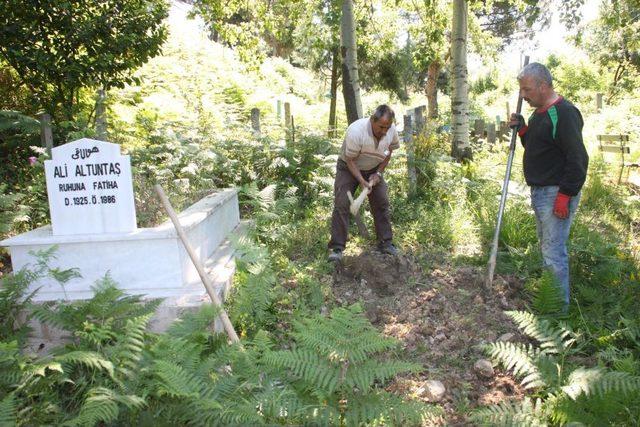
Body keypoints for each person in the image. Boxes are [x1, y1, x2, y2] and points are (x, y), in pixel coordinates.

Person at [509, 62, 589, 310]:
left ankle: (557, 314)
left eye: (527, 89)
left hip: (556, 192)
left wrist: (565, 195)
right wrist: (523, 130)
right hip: (541, 193)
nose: (524, 95)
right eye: (522, 90)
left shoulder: (564, 113)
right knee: (548, 249)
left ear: (543, 86)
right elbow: (536, 147)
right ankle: (551, 300)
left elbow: (578, 158)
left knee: (554, 253)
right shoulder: (538, 113)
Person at [328, 105, 400, 262]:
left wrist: (378, 173)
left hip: (373, 167)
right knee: (342, 203)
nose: (384, 131)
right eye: (381, 127)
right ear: (372, 120)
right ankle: (337, 248)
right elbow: (350, 160)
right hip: (349, 167)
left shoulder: (391, 130)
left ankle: (385, 243)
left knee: (381, 201)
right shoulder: (356, 131)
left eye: (387, 127)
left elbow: (388, 153)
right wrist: (362, 181)